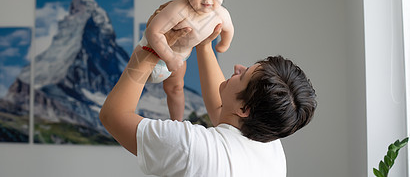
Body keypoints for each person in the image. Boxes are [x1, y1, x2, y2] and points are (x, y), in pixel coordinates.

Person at [100, 17, 317, 177]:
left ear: (244, 109)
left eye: (243, 75)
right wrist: (204, 44)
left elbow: (113, 116)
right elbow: (222, 109)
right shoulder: (270, 147)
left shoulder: (192, 148)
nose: (238, 68)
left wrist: (152, 48)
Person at [140, 0, 234, 121]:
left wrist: (223, 44)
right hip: (155, 55)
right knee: (135, 82)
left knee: (175, 89)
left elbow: (229, 29)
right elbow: (153, 31)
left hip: (180, 58)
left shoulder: (221, 13)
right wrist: (168, 57)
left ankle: (177, 121)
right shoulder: (178, 9)